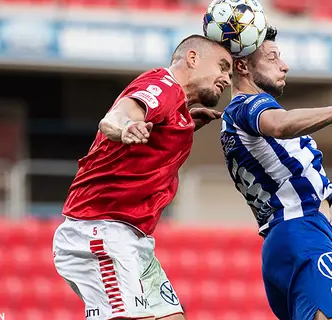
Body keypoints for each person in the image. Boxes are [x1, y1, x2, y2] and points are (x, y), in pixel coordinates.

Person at [53, 34, 232, 320]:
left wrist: (183, 125)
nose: (226, 78)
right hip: (100, 229)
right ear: (193, 58)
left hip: (135, 238)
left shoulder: (178, 107)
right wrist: (125, 127)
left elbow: (155, 134)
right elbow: (117, 115)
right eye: (222, 66)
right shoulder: (161, 87)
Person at [219, 27, 332, 320]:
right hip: (303, 230)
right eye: (272, 58)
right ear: (242, 66)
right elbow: (280, 125)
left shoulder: (232, 120)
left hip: (281, 240)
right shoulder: (251, 105)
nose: (284, 65)